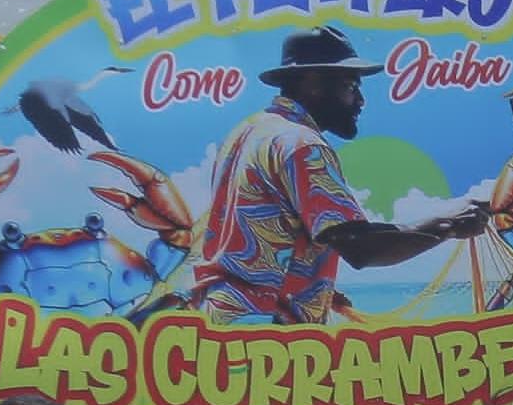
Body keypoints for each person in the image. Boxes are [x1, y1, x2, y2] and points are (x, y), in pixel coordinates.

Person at [179, 27, 491, 323]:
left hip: (220, 328)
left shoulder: (248, 132)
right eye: (350, 86)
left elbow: (256, 234)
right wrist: (447, 224)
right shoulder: (302, 144)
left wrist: (317, 288)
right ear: (313, 83)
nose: (360, 101)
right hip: (268, 340)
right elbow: (359, 246)